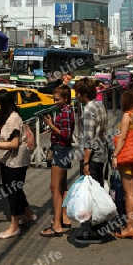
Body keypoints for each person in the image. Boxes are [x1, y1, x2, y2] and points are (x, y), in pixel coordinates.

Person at [0, 89, 35, 239]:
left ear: (4, 103)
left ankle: (14, 226)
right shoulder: (6, 117)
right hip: (8, 160)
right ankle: (28, 214)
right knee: (14, 189)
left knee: (13, 192)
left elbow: (14, 144)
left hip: (16, 161)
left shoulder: (14, 119)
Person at [73, 78, 108, 245]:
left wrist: (86, 162)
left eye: (78, 93)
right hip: (101, 155)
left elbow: (89, 140)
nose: (76, 96)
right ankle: (99, 228)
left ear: (84, 94)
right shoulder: (99, 105)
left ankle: (93, 233)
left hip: (92, 158)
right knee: (97, 191)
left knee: (90, 195)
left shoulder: (88, 110)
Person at [40, 84, 74, 238]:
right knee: (62, 186)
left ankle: (57, 225)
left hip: (60, 150)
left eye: (58, 99)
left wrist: (51, 125)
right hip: (63, 149)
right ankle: (64, 218)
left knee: (54, 188)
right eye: (54, 99)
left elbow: (66, 134)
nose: (55, 102)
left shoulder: (65, 112)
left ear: (66, 98)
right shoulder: (66, 110)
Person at [112, 88, 133, 239]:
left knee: (129, 193)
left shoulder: (128, 115)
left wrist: (115, 155)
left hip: (127, 157)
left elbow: (123, 138)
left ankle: (129, 227)